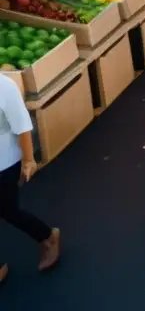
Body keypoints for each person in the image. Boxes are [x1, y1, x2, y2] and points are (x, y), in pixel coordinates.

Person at [0, 74, 60, 284]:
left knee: (9, 211)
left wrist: (28, 160)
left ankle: (48, 236)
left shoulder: (4, 87)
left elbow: (22, 126)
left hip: (4, 164)